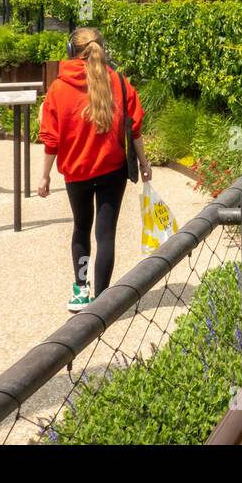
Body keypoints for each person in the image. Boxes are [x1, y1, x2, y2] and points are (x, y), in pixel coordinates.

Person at [38, 28, 152, 312]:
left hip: (77, 173)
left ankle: (80, 290)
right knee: (105, 234)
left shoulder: (58, 89)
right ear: (103, 49)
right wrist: (144, 162)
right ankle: (101, 302)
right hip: (112, 171)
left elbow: (51, 138)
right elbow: (134, 128)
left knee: (81, 228)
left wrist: (44, 175)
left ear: (71, 51)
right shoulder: (119, 82)